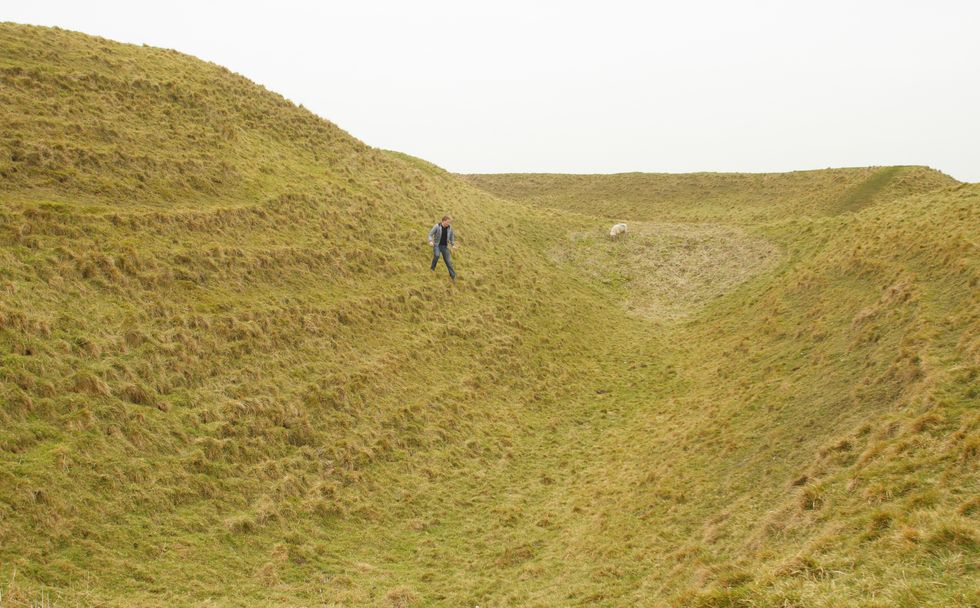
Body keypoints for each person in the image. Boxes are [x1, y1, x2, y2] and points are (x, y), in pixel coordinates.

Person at [428, 215, 457, 280]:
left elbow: (451, 237)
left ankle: (453, 276)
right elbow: (430, 234)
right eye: (447, 222)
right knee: (437, 255)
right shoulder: (437, 226)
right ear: (443, 221)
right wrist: (430, 241)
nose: (448, 224)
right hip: (437, 245)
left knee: (448, 261)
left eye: (449, 222)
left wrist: (453, 245)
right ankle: (432, 268)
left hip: (445, 246)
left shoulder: (450, 228)